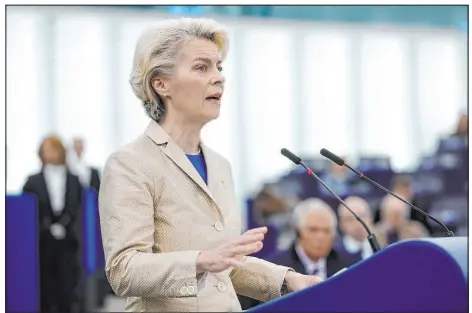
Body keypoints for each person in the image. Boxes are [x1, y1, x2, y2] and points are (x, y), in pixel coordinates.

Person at [98, 17, 321, 312]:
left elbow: (227, 265)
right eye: (202, 67)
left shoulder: (221, 166)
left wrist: (289, 280)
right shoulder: (130, 164)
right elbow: (123, 271)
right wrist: (201, 260)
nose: (219, 77)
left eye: (219, 67)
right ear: (160, 83)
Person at [239, 198, 355, 310]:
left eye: (326, 231)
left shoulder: (350, 266)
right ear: (298, 231)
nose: (320, 237)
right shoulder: (273, 268)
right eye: (313, 230)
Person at [22, 135, 82, 312]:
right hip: (43, 241)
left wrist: (64, 225)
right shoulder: (32, 181)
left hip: (68, 240)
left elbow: (76, 207)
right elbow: (27, 212)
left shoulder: (73, 179)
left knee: (67, 285)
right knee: (46, 285)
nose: (49, 153)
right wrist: (47, 228)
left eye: (53, 149)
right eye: (46, 150)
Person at [335, 196, 386, 262]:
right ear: (341, 224)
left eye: (362, 216)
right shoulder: (336, 255)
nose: (357, 223)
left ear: (370, 217)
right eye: (350, 219)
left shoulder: (383, 247)